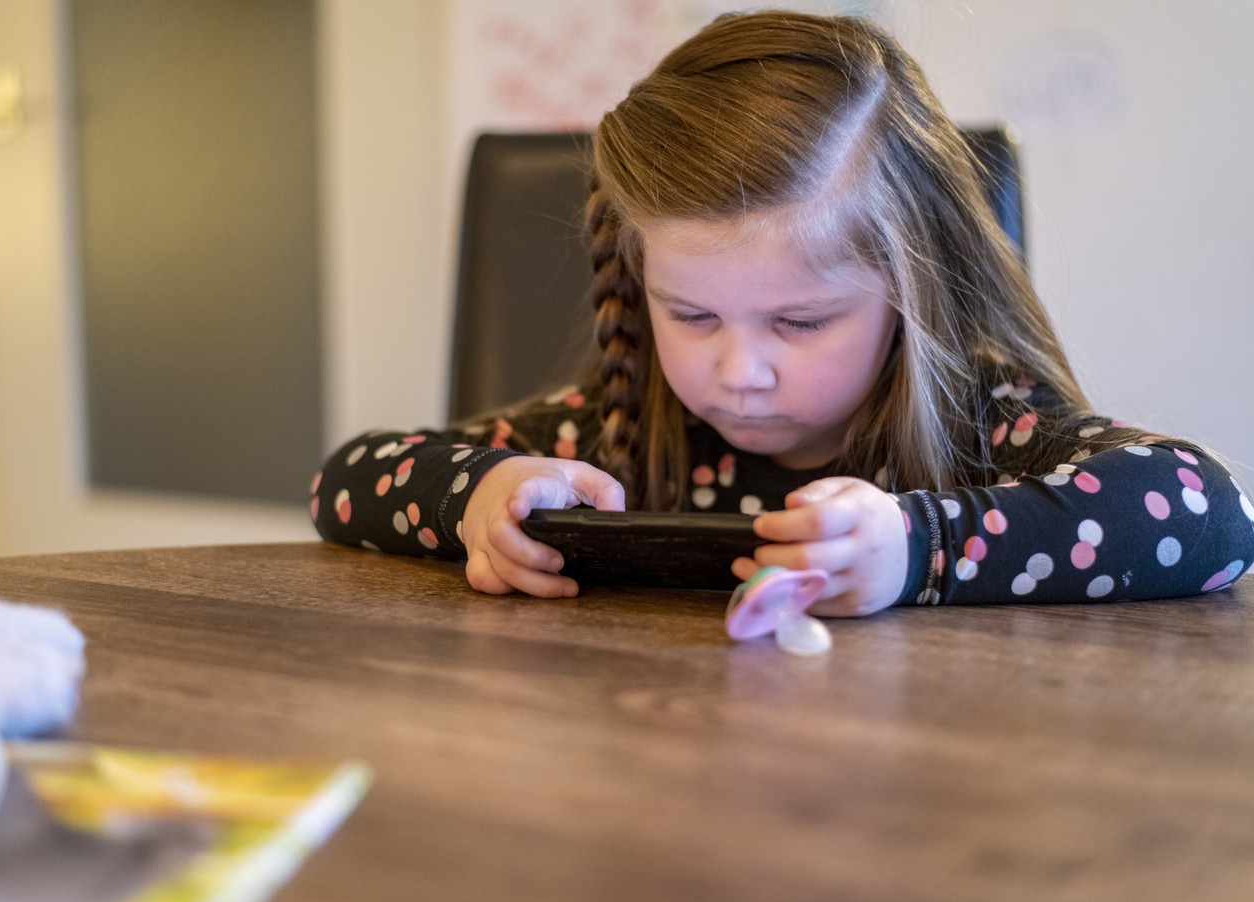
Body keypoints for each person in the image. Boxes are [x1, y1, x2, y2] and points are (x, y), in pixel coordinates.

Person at [310, 10, 1254, 614]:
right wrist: (478, 497)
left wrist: (921, 550)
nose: (738, 371)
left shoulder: (983, 422)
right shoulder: (622, 424)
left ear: (908, 292)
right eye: (690, 314)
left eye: (800, 323)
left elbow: (1209, 516)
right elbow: (348, 479)